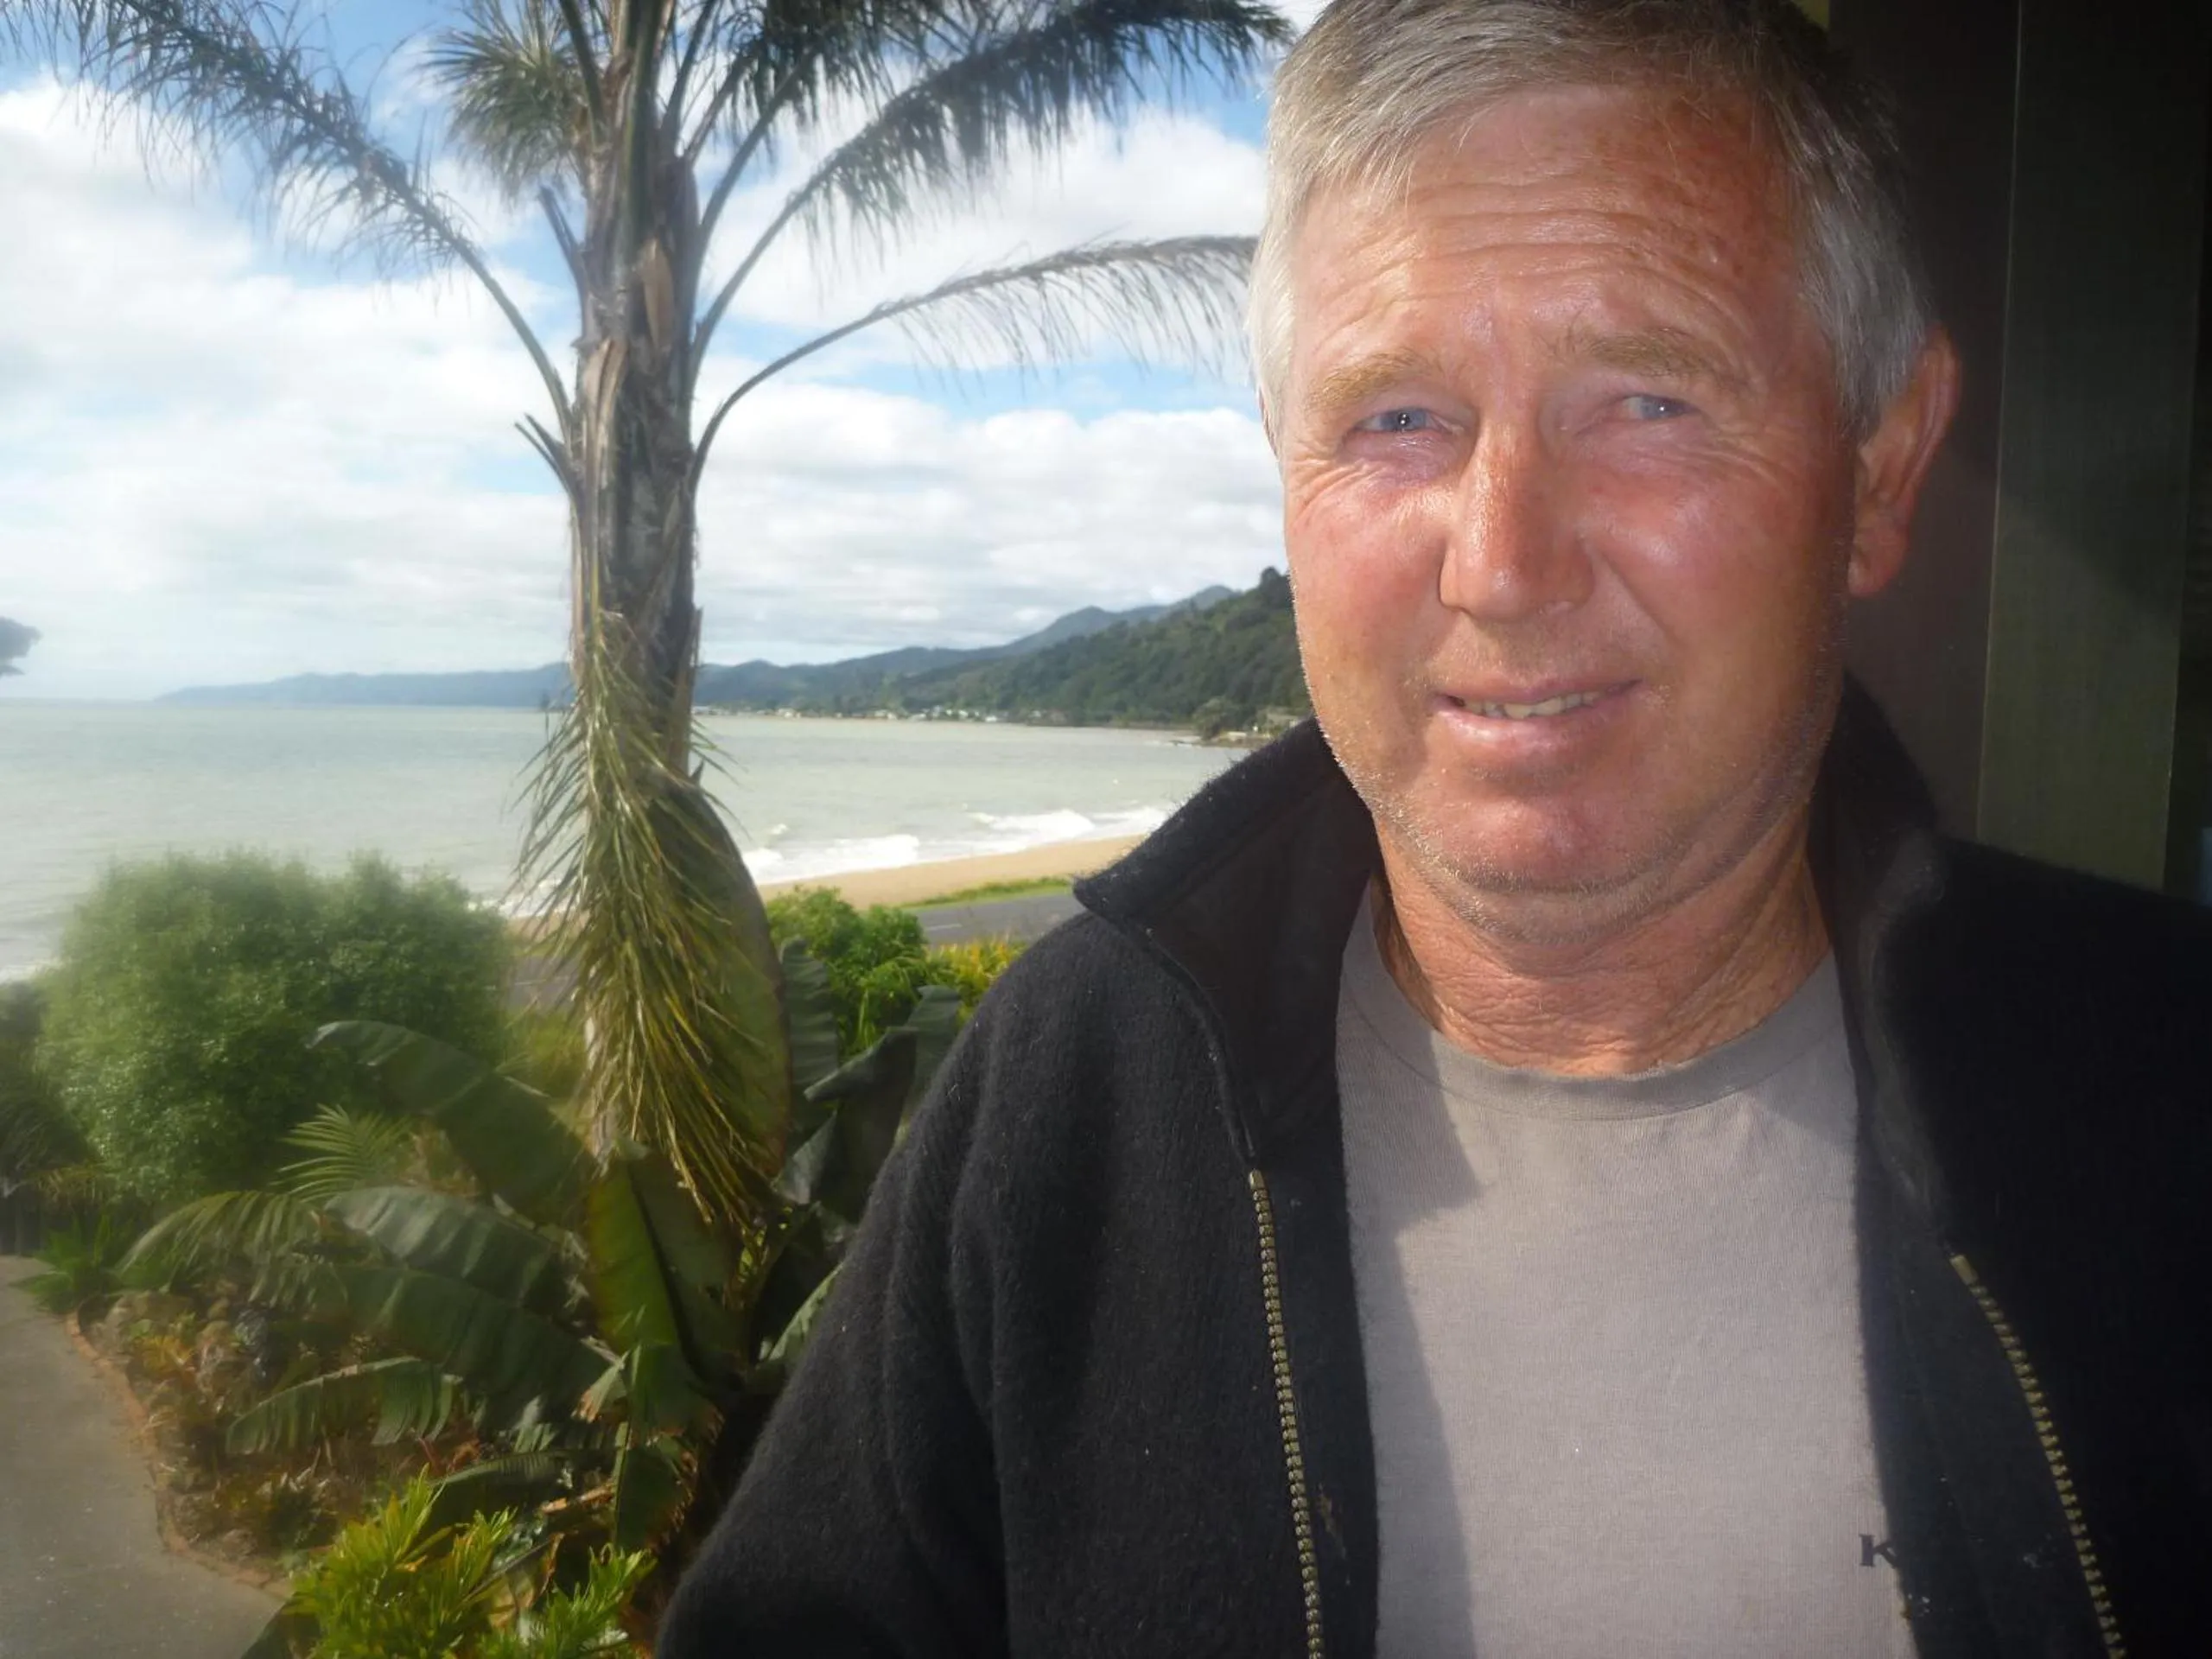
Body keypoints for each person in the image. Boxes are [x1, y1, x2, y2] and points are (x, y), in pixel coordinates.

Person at [658, 1, 2212, 1653]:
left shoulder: (2160, 1089)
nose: (1504, 564)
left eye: (1648, 399)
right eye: (1397, 417)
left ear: (1881, 468)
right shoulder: (1077, 1094)